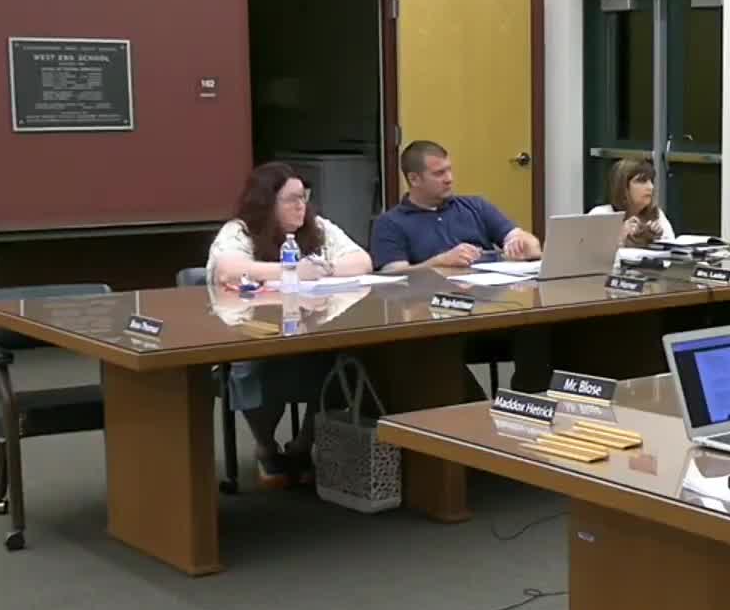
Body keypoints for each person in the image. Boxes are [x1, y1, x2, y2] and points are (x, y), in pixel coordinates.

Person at [206, 162, 371, 489]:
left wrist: (323, 268)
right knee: (252, 366)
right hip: (252, 334)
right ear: (267, 202)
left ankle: (302, 445)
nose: (301, 206)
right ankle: (266, 446)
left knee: (348, 359)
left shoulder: (317, 227)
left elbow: (362, 261)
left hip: (311, 331)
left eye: (304, 197)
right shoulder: (239, 231)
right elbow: (228, 270)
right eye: (292, 199)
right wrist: (290, 271)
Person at [370, 140, 542, 271]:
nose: (449, 179)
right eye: (439, 173)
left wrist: (523, 244)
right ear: (414, 179)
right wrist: (439, 262)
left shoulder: (476, 206)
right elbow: (394, 277)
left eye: (449, 170)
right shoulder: (390, 223)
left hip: (488, 297)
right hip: (431, 301)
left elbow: (527, 241)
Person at [588, 157, 675, 247]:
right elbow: (589, 252)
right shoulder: (601, 215)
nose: (650, 187)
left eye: (651, 181)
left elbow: (673, 250)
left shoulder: (657, 215)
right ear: (622, 187)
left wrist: (656, 240)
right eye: (641, 181)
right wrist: (620, 237)